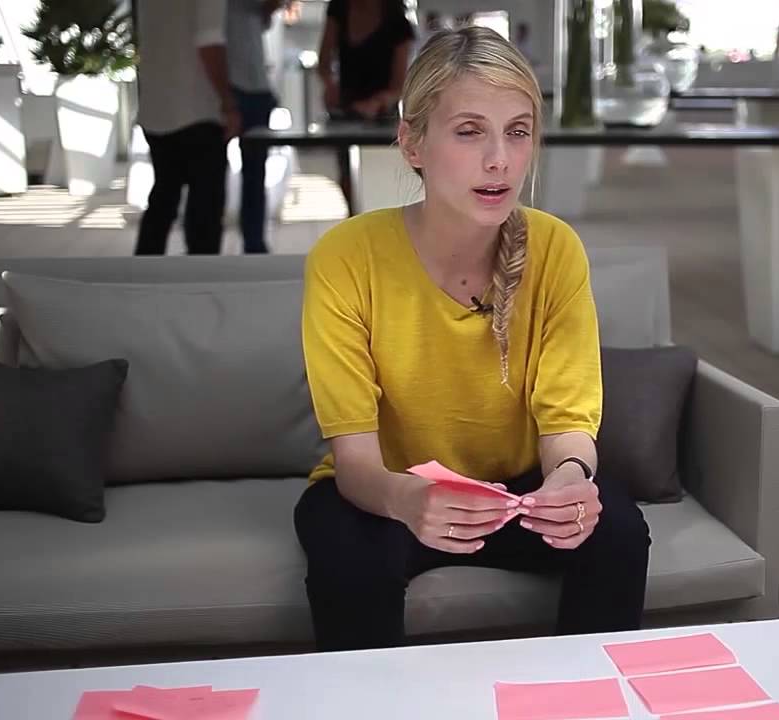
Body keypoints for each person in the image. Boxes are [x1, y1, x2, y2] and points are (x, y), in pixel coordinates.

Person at [294, 26, 651, 652]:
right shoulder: (346, 257)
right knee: (347, 553)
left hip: (518, 489)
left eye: (518, 131)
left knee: (617, 530)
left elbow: (568, 421)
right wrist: (408, 499)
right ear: (412, 143)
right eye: (468, 131)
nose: (500, 160)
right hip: (389, 490)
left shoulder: (556, 248)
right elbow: (355, 463)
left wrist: (569, 477)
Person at [134, 0, 241, 256]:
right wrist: (228, 101)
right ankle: (201, 280)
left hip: (156, 108)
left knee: (162, 202)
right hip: (198, 109)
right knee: (204, 213)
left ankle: (142, 277)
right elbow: (209, 43)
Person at [316, 0, 416, 213]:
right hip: (344, 110)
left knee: (378, 174)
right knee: (345, 173)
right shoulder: (339, 9)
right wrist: (329, 83)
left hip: (382, 114)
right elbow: (323, 60)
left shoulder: (398, 22)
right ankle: (354, 218)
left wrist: (377, 103)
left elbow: (399, 85)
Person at [226, 0, 286, 254]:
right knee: (250, 173)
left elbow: (266, 13)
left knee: (252, 172)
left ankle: (253, 243)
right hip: (240, 86)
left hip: (250, 85)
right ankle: (251, 243)